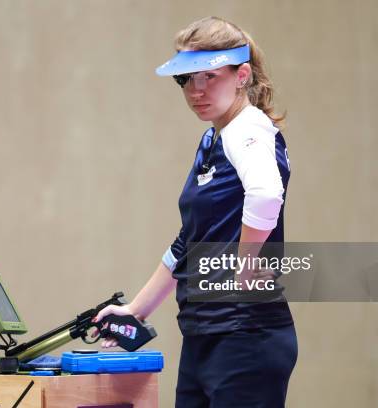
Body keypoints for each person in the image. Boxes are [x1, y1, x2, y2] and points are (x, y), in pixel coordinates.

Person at [93, 16, 297, 407]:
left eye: (209, 77)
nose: (195, 91)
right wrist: (137, 309)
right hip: (204, 333)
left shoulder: (247, 129)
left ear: (242, 76)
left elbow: (268, 194)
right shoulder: (212, 139)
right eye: (186, 79)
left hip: (245, 336)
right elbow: (189, 238)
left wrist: (246, 261)